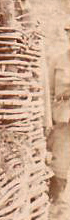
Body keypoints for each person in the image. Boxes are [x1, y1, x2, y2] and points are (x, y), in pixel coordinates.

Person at [47, 24, 70, 210]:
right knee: (60, 159)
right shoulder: (58, 61)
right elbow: (49, 91)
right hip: (62, 116)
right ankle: (57, 204)